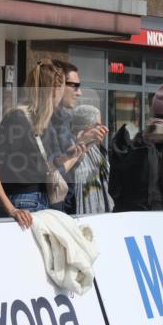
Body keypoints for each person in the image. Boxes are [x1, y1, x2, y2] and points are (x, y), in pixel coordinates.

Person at [0, 61, 72, 228]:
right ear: (54, 89)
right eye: (64, 86)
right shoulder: (17, 117)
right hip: (23, 204)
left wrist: (75, 151)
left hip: (41, 201)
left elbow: (40, 166)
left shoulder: (42, 120)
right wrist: (12, 210)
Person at [45, 61, 107, 213]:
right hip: (46, 209)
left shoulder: (63, 119)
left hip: (63, 206)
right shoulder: (42, 121)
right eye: (75, 86)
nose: (79, 93)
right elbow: (52, 172)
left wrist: (81, 144)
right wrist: (81, 145)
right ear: (57, 85)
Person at [69, 105, 114, 214]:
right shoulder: (69, 146)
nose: (102, 128)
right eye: (98, 125)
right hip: (78, 212)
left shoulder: (97, 149)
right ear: (86, 127)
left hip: (102, 212)